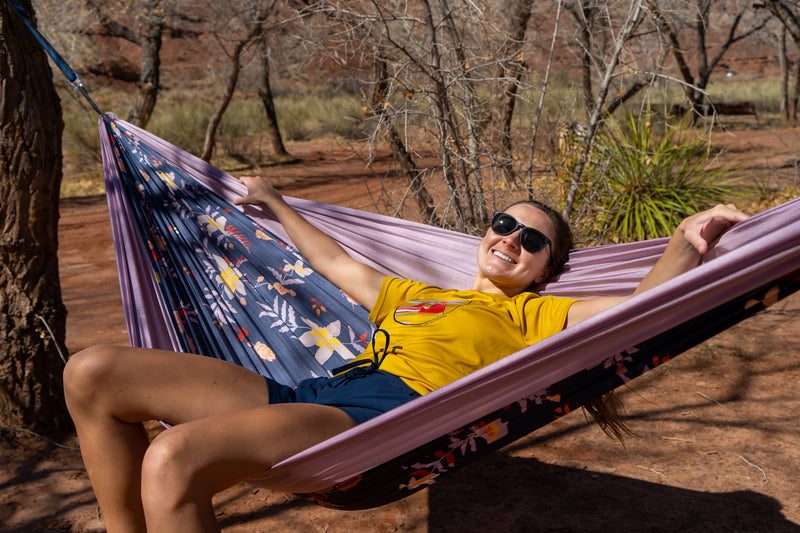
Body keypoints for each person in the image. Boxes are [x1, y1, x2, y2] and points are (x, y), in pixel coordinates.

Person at [63, 176, 747, 532]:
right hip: (319, 393)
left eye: (531, 240)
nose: (510, 237)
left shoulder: (536, 312)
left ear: (546, 269)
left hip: (387, 418)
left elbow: (637, 310)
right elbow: (330, 260)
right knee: (92, 371)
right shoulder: (411, 291)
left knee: (174, 456)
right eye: (503, 223)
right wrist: (272, 202)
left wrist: (684, 245)